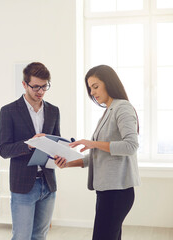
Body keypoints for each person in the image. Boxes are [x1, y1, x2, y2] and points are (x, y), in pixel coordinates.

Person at [60, 65, 140, 240]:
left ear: (109, 83)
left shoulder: (122, 107)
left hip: (117, 192)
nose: (92, 92)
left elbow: (131, 146)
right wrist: (68, 163)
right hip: (107, 191)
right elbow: (99, 156)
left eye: (95, 86)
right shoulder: (107, 112)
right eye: (90, 88)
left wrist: (93, 143)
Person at [0, 62, 66, 240]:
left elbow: (56, 142)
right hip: (23, 186)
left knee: (40, 236)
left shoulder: (53, 111)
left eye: (45, 86)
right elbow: (4, 150)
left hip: (48, 183)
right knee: (21, 236)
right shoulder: (9, 111)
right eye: (35, 86)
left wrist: (61, 155)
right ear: (24, 84)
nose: (40, 91)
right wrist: (30, 144)